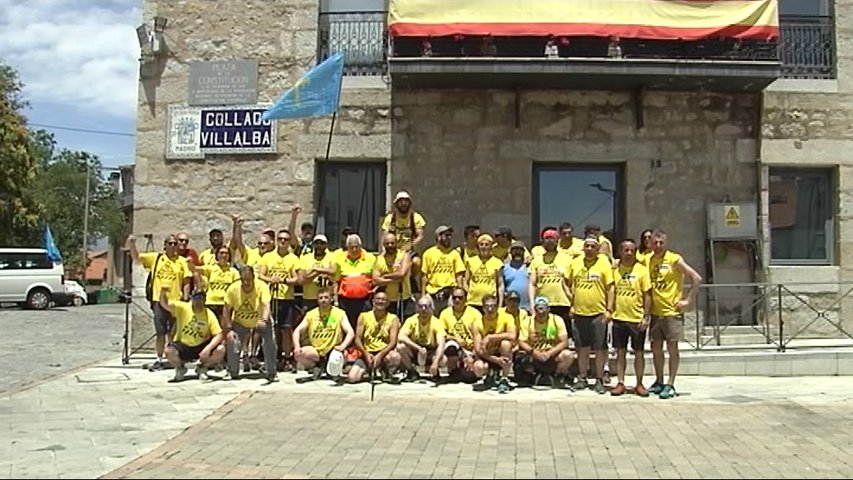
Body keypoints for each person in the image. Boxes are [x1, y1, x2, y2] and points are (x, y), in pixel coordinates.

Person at [645, 230, 702, 399]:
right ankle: (659, 381)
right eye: (655, 242)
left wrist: (687, 300)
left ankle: (670, 383)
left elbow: (696, 278)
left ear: (666, 243)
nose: (658, 246)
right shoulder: (648, 260)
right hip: (655, 312)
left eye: (661, 243)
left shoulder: (674, 259)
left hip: (671, 312)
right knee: (656, 348)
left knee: (672, 348)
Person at [127, 234, 192, 371]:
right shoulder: (156, 258)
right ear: (165, 245)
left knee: (174, 332)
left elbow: (186, 281)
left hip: (176, 302)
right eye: (171, 243)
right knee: (160, 332)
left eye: (175, 243)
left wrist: (185, 299)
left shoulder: (182, 261)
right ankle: (159, 358)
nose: (174, 246)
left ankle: (174, 357)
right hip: (159, 300)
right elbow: (137, 258)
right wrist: (132, 244)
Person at [567, 235, 614, 394]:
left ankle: (599, 379)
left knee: (600, 348)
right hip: (579, 313)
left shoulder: (604, 264)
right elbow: (565, 283)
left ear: (597, 248)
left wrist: (609, 309)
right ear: (583, 247)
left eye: (592, 246)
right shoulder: (575, 263)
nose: (589, 249)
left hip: (598, 314)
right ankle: (582, 377)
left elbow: (610, 288)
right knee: (582, 348)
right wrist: (571, 302)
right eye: (586, 246)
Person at [610, 239, 653, 397]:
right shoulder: (614, 270)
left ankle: (639, 384)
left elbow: (647, 295)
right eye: (626, 250)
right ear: (620, 252)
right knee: (620, 352)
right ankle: (620, 382)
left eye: (632, 251)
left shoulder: (642, 270)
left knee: (639, 352)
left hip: (636, 318)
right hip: (619, 317)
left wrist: (646, 316)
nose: (629, 253)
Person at [221, 265, 277, 382]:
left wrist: (264, 319)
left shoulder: (262, 286)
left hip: (260, 319)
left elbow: (266, 305)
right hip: (240, 322)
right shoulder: (233, 288)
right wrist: (228, 327)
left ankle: (271, 372)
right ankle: (232, 371)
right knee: (232, 341)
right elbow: (226, 309)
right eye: (243, 280)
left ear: (254, 278)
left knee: (270, 343)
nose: (246, 283)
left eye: (249, 280)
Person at [158, 286, 225, 382]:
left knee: (220, 349)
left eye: (201, 299)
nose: (198, 301)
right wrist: (163, 293)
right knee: (168, 350)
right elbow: (165, 304)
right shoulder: (183, 308)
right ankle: (180, 368)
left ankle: (202, 368)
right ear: (191, 298)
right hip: (183, 345)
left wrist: (208, 349)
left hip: (200, 346)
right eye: (196, 298)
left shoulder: (209, 313)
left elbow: (219, 334)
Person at [257, 229, 301, 371]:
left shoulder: (293, 258)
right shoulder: (268, 257)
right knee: (270, 328)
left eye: (286, 240)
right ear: (276, 241)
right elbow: (261, 275)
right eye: (280, 239)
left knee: (286, 329)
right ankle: (269, 357)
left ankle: (287, 358)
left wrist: (284, 280)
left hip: (286, 298)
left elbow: (297, 278)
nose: (283, 242)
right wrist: (272, 279)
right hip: (270, 298)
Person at [292, 287, 355, 381]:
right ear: (317, 300)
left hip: (333, 349)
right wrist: (297, 346)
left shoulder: (340, 313)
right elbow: (297, 331)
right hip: (317, 351)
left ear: (331, 299)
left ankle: (334, 372)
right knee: (299, 354)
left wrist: (343, 345)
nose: (323, 300)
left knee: (343, 354)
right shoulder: (311, 314)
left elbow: (350, 332)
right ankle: (316, 368)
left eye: (326, 297)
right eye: (321, 298)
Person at [514, 296, 574, 387]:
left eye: (544, 309)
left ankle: (557, 376)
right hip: (534, 354)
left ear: (549, 309)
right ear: (535, 309)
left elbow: (564, 342)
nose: (541, 312)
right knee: (520, 356)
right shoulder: (528, 321)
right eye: (538, 309)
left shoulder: (557, 320)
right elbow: (521, 341)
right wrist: (534, 352)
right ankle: (529, 375)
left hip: (552, 354)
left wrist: (550, 353)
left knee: (568, 355)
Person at [349, 291, 402, 383]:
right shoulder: (363, 316)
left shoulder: (393, 318)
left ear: (388, 303)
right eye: (378, 299)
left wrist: (380, 355)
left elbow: (393, 342)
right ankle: (368, 370)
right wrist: (366, 354)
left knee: (395, 357)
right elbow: (357, 339)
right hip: (367, 353)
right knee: (352, 378)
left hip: (384, 352)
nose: (380, 302)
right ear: (373, 301)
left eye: (383, 300)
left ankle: (385, 370)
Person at [382, 191, 426, 292]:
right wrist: (383, 251)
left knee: (416, 262)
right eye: (401, 201)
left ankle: (410, 279)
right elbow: (384, 236)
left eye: (406, 201)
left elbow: (420, 235)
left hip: (409, 251)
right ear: (396, 203)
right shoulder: (390, 218)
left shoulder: (416, 217)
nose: (403, 204)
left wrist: (411, 245)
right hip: (393, 250)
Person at [528, 227, 573, 329]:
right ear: (543, 241)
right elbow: (532, 284)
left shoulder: (567, 259)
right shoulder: (536, 261)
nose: (549, 242)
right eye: (547, 239)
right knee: (545, 335)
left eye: (552, 239)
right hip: (542, 304)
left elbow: (572, 283)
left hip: (563, 304)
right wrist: (531, 303)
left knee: (563, 336)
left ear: (557, 241)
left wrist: (573, 303)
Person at [396, 294, 446, 382]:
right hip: (416, 349)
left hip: (430, 350)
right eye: (420, 306)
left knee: (443, 360)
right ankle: (412, 372)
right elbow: (401, 336)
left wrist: (435, 362)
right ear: (417, 308)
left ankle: (435, 371)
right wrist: (418, 348)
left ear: (431, 308)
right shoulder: (411, 320)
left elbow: (441, 344)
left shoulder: (436, 322)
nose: (423, 310)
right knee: (400, 347)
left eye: (426, 307)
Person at [473, 294, 516, 393]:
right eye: (487, 306)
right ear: (483, 308)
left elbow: (512, 335)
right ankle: (490, 375)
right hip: (487, 354)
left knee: (506, 344)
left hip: (501, 352)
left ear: (497, 307)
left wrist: (490, 337)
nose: (490, 309)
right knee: (478, 368)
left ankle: (504, 379)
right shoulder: (477, 322)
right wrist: (497, 360)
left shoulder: (507, 317)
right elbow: (478, 349)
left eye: (493, 306)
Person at [439, 287, 482, 382]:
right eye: (454, 297)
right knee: (451, 346)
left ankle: (464, 369)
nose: (457, 300)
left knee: (469, 378)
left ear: (466, 299)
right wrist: (455, 338)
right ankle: (453, 370)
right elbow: (441, 334)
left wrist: (473, 356)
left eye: (460, 298)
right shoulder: (445, 313)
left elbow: (479, 336)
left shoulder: (475, 313)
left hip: (470, 348)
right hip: (455, 347)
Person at [421, 226, 465, 313]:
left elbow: (459, 275)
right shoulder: (428, 253)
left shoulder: (454, 253)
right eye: (446, 235)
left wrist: (460, 291)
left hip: (450, 293)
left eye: (450, 235)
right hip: (432, 292)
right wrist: (423, 294)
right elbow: (424, 275)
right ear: (438, 237)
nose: (449, 238)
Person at [335, 234, 376, 326]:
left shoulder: (370, 258)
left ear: (361, 246)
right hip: (346, 301)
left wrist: (374, 291)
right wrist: (335, 301)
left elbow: (376, 278)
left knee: (365, 325)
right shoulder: (339, 259)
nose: (354, 250)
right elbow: (336, 281)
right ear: (347, 248)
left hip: (364, 300)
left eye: (356, 247)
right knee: (348, 326)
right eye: (351, 247)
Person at [373, 233, 413, 318]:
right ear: (384, 245)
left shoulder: (404, 255)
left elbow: (402, 274)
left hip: (404, 297)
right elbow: (375, 280)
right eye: (387, 243)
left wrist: (385, 276)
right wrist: (393, 280)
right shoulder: (379, 259)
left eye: (392, 243)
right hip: (387, 300)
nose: (390, 245)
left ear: (396, 243)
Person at [197, 246, 240, 319]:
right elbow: (195, 269)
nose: (224, 255)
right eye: (221, 253)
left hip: (226, 304)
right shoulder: (211, 269)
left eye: (226, 253)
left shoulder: (234, 272)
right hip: (211, 303)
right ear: (217, 255)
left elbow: (237, 288)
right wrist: (189, 263)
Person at [296, 234, 337, 313]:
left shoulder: (331, 256)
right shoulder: (305, 257)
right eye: (316, 243)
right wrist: (320, 272)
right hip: (309, 298)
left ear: (326, 245)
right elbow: (302, 277)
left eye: (322, 243)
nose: (319, 246)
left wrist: (315, 269)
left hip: (326, 298)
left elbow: (333, 271)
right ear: (313, 245)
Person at [465, 234, 503, 311]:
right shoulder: (471, 261)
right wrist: (468, 294)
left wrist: (500, 303)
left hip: (490, 302)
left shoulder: (497, 262)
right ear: (478, 246)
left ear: (491, 246)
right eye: (481, 244)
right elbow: (465, 281)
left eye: (487, 244)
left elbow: (500, 284)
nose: (484, 247)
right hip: (473, 302)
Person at [500, 241, 530, 312]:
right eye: (515, 250)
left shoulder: (530, 267)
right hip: (510, 307)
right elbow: (501, 287)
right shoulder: (504, 268)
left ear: (524, 252)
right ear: (510, 252)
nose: (517, 253)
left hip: (527, 307)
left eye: (520, 250)